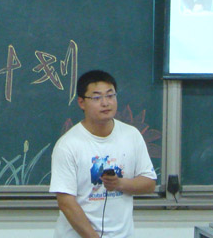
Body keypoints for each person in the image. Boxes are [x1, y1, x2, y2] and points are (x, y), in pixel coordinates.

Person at [49, 70, 156, 238]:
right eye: (97, 98)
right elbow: (66, 202)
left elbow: (149, 184)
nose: (106, 103)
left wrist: (119, 183)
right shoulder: (68, 145)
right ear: (81, 102)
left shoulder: (132, 135)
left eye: (110, 95)